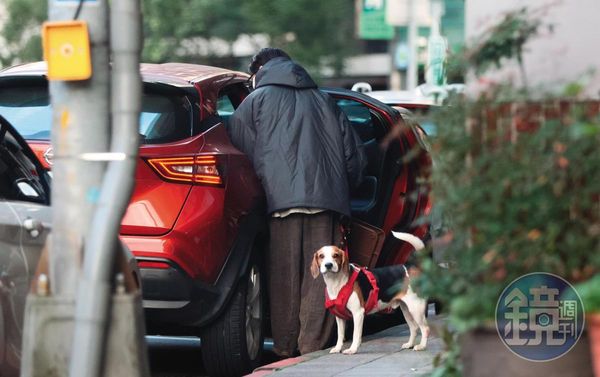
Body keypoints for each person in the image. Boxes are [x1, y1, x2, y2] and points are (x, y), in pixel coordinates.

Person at [227, 47, 366, 356]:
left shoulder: (254, 102)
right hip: (326, 202)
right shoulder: (324, 101)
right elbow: (354, 156)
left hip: (279, 203)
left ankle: (285, 348)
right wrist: (344, 188)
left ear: (259, 69)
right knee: (324, 275)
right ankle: (312, 349)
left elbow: (239, 152)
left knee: (283, 276)